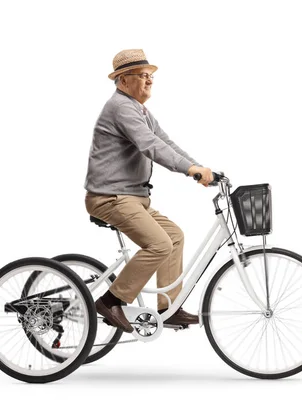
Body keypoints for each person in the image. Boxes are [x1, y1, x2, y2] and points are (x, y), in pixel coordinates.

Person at [84, 49, 213, 332]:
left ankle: (169, 307)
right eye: (142, 76)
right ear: (122, 80)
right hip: (110, 198)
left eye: (150, 76)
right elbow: (150, 146)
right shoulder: (121, 107)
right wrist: (189, 170)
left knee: (174, 236)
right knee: (159, 244)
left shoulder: (139, 109)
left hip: (132, 198)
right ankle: (110, 300)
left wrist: (198, 167)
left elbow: (165, 142)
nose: (149, 81)